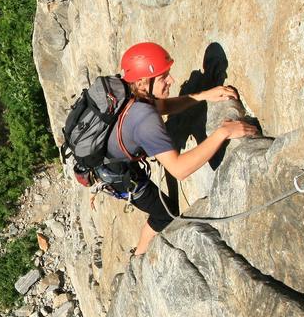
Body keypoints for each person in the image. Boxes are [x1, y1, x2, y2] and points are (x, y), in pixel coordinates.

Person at [98, 42, 258, 255]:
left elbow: (162, 107)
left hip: (112, 153)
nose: (171, 80)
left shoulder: (130, 90)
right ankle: (139, 256)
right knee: (166, 213)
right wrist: (223, 133)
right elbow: (180, 170)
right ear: (144, 81)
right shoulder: (144, 119)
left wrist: (201, 96)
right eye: (164, 77)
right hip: (116, 172)